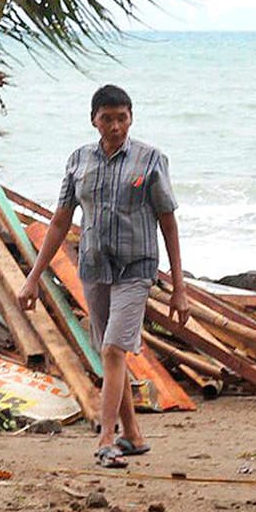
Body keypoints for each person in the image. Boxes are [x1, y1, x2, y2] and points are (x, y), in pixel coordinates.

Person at [18, 84, 189, 468]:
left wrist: (180, 287)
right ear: (94, 120)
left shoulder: (150, 160)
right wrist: (33, 277)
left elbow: (168, 223)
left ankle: (106, 439)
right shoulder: (79, 160)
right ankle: (134, 434)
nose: (115, 127)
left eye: (122, 118)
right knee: (110, 354)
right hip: (94, 268)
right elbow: (61, 220)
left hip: (136, 269)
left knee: (114, 349)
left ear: (131, 117)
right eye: (107, 119)